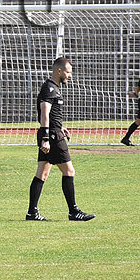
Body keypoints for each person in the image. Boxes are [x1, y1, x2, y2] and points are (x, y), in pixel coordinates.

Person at [28, 57, 95, 222]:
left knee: (42, 173)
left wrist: (60, 127)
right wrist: (46, 138)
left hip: (53, 132)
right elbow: (44, 113)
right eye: (68, 72)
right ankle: (74, 212)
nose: (69, 76)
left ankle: (32, 213)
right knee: (69, 171)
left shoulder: (53, 87)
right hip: (52, 137)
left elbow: (51, 115)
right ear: (59, 71)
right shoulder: (49, 88)